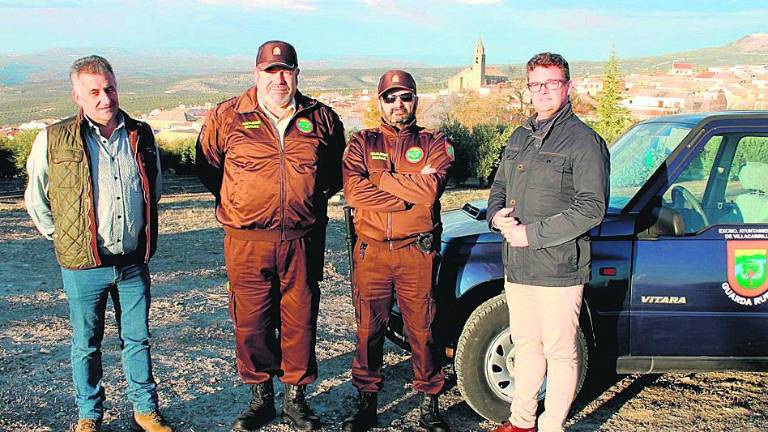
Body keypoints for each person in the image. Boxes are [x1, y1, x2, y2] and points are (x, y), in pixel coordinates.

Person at [195, 40, 345, 432]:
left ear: (297, 73)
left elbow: (330, 175)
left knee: (300, 319)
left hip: (302, 238)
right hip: (247, 240)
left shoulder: (322, 118)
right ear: (255, 73)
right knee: (251, 321)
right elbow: (209, 168)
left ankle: (295, 398)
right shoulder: (226, 116)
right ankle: (260, 397)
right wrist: (244, 203)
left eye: (286, 70)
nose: (278, 79)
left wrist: (302, 203)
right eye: (270, 71)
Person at [24, 55, 170, 432]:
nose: (105, 98)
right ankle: (89, 414)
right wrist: (61, 236)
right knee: (86, 344)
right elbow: (36, 197)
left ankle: (145, 409)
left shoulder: (141, 133)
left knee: (138, 338)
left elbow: (153, 185)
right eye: (95, 91)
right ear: (77, 96)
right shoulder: (53, 138)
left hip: (133, 261)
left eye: (110, 88)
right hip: (84, 266)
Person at [487, 53, 610, 432]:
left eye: (551, 83)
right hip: (519, 265)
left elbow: (592, 208)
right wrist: (495, 216)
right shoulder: (521, 135)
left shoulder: (584, 142)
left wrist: (531, 234)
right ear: (529, 88)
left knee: (559, 351)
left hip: (559, 266)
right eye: (536, 84)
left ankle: (551, 426)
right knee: (526, 346)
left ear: (567, 87)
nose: (543, 91)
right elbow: (500, 186)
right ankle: (522, 422)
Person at [341, 70, 454, 432]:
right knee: (367, 331)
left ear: (415, 100)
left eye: (404, 96)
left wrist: (379, 178)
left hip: (415, 253)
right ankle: (366, 402)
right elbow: (354, 194)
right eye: (389, 98)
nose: (397, 104)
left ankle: (429, 401)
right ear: (379, 103)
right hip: (372, 252)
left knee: (423, 329)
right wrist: (409, 191)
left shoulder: (435, 141)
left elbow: (429, 193)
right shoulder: (361, 141)